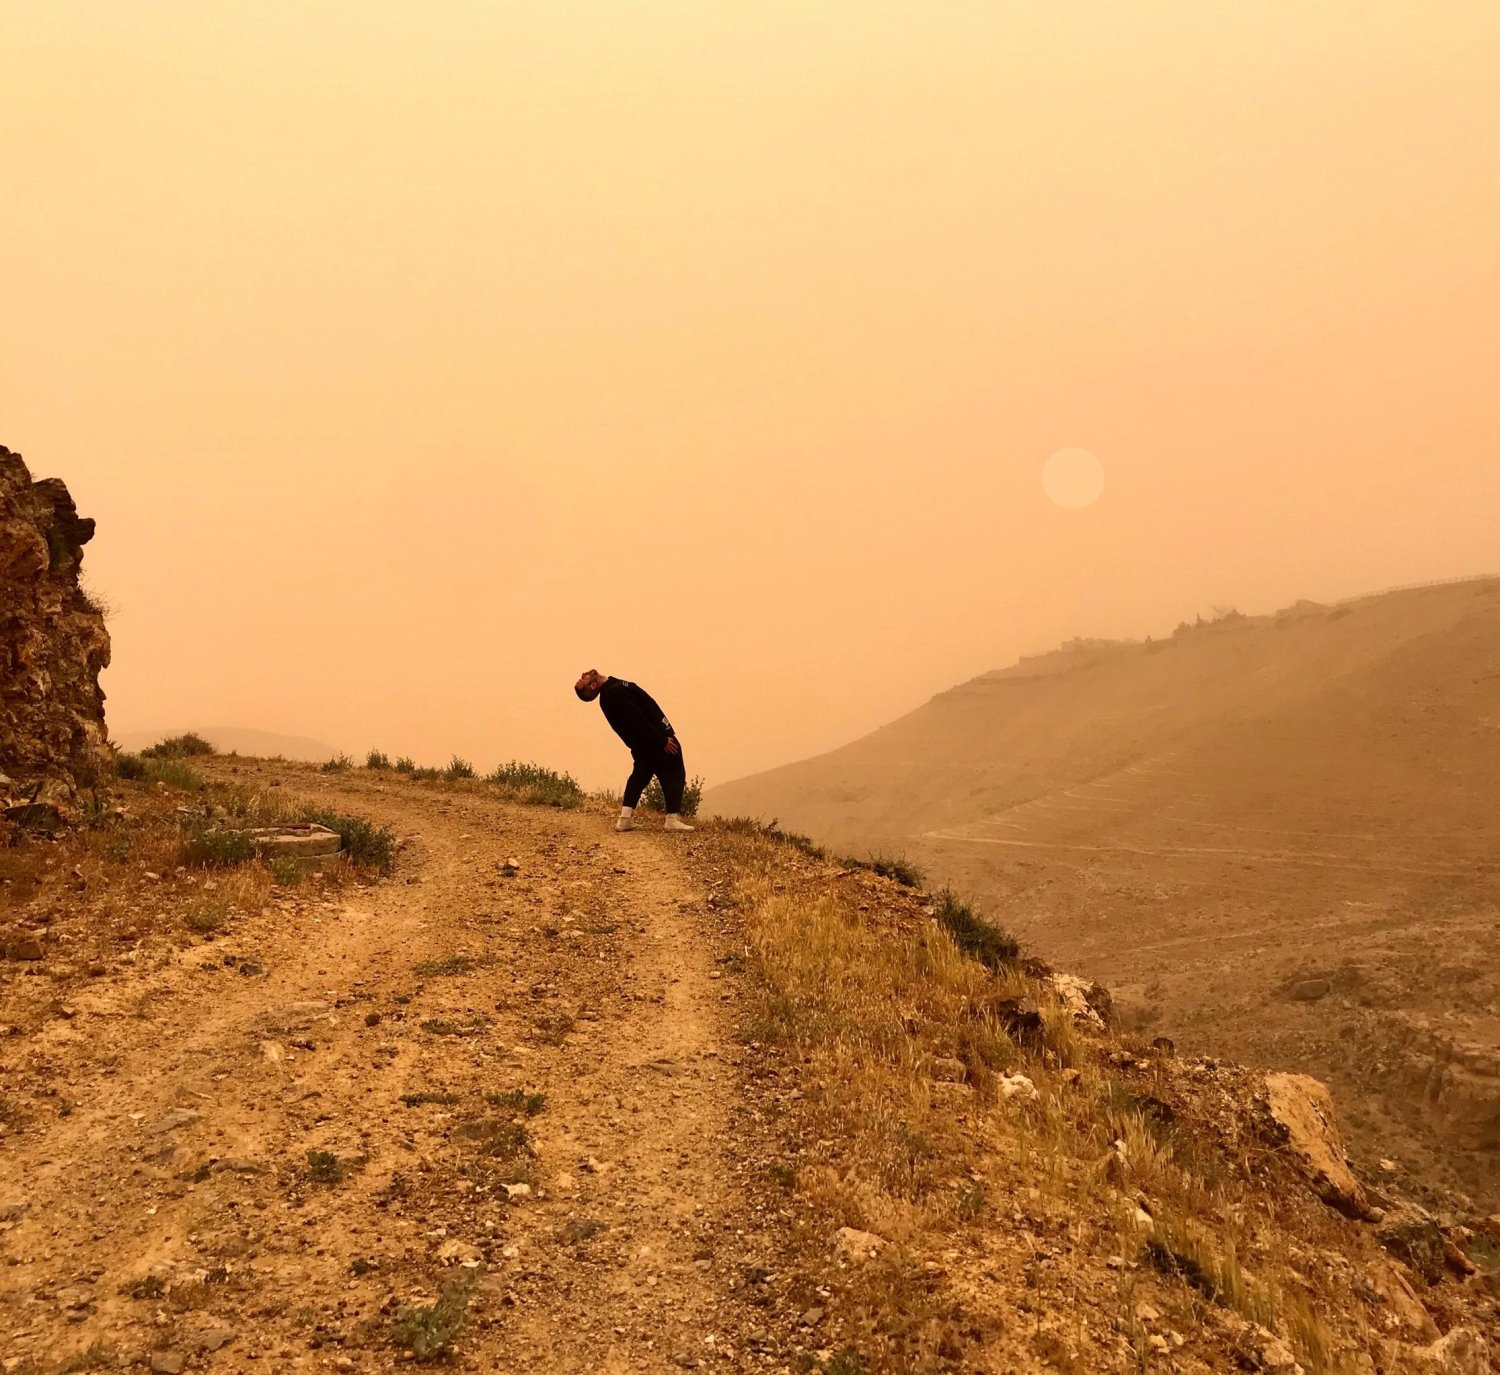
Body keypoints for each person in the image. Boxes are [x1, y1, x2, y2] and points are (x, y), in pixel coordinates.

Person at [574, 669, 694, 832]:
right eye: (583, 679)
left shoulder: (611, 690)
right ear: (593, 685)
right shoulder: (614, 692)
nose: (584, 673)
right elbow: (637, 719)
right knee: (674, 769)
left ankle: (625, 819)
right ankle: (672, 819)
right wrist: (661, 740)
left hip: (643, 742)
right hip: (652, 739)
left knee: (641, 774)